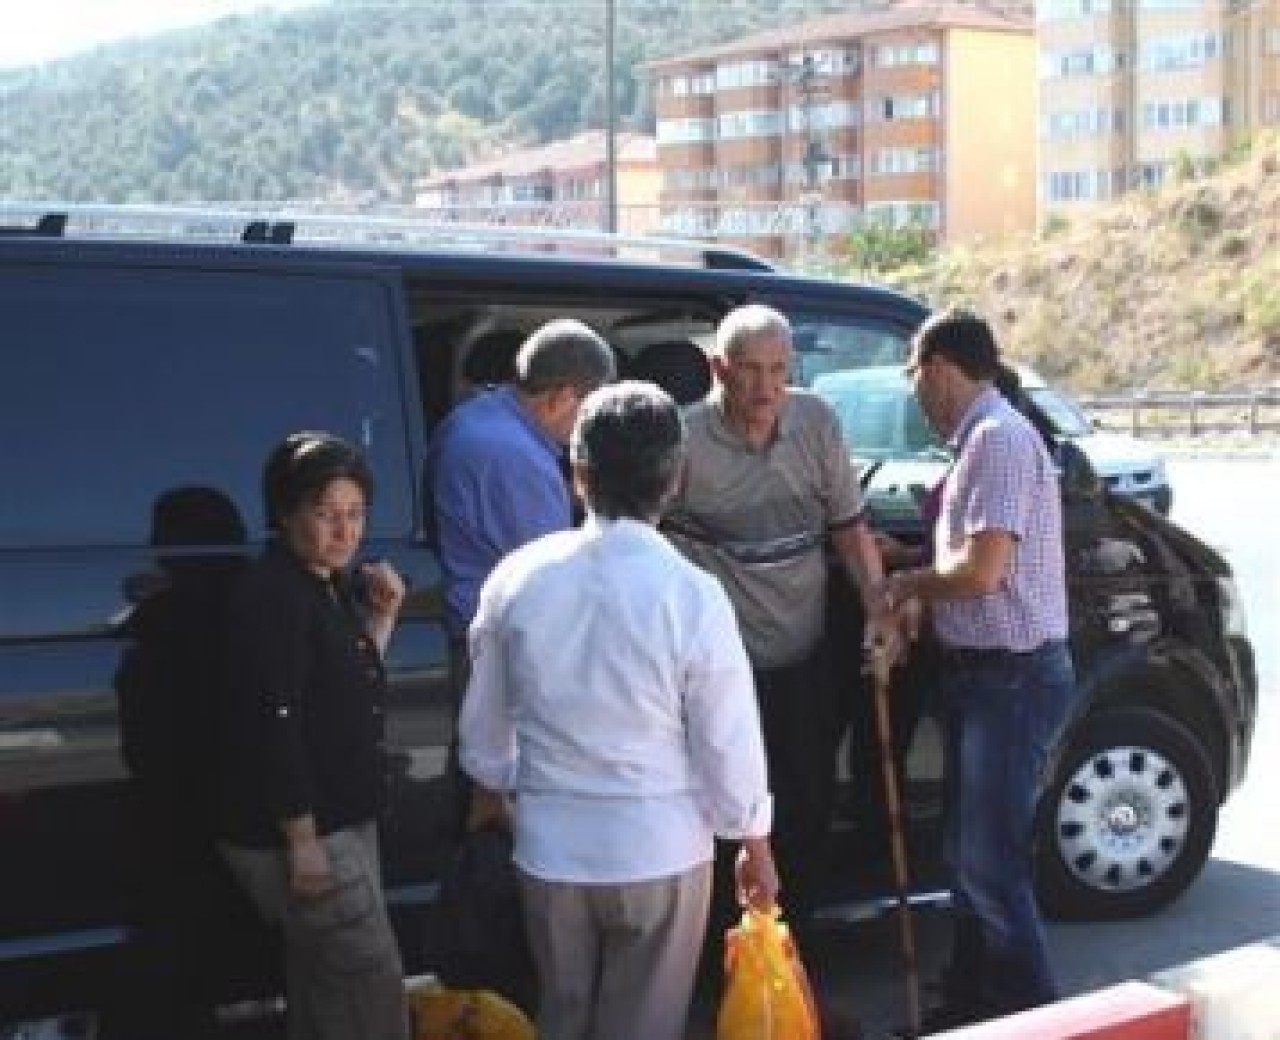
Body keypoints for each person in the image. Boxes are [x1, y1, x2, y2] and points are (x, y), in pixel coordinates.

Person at [459, 381, 778, 1040]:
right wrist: (753, 840)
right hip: (659, 847)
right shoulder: (692, 594)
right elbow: (727, 739)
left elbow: (486, 731)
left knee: (560, 1016)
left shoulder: (516, 578)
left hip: (549, 848)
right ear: (675, 478)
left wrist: (493, 794)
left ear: (578, 474)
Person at [662, 303, 896, 939]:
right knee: (723, 816)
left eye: (779, 371)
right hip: (719, 670)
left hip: (802, 656)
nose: (766, 388)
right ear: (719, 369)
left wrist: (878, 607)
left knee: (806, 807)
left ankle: (796, 952)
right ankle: (724, 955)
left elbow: (850, 529)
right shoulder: (684, 442)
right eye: (749, 370)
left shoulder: (815, 422)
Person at [884, 307, 1081, 1031]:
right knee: (967, 858)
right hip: (984, 678)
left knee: (991, 864)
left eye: (915, 379)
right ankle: (973, 1004)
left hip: (1012, 678)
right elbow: (969, 555)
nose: (916, 397)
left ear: (939, 369)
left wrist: (906, 585)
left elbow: (982, 572)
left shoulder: (997, 439)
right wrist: (913, 558)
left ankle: (1037, 1015)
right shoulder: (981, 440)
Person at [214, 432, 410, 1040]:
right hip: (313, 829)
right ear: (285, 514)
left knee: (326, 990)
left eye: (356, 514)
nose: (344, 531)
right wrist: (302, 839)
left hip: (338, 819)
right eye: (326, 514)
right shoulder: (277, 597)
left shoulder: (322, 584)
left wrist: (381, 618)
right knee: (370, 986)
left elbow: (342, 690)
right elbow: (274, 720)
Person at [426, 318, 616, 691]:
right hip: (502, 647)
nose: (589, 427)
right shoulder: (516, 457)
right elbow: (556, 580)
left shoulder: (478, 416)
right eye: (589, 410)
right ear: (563, 397)